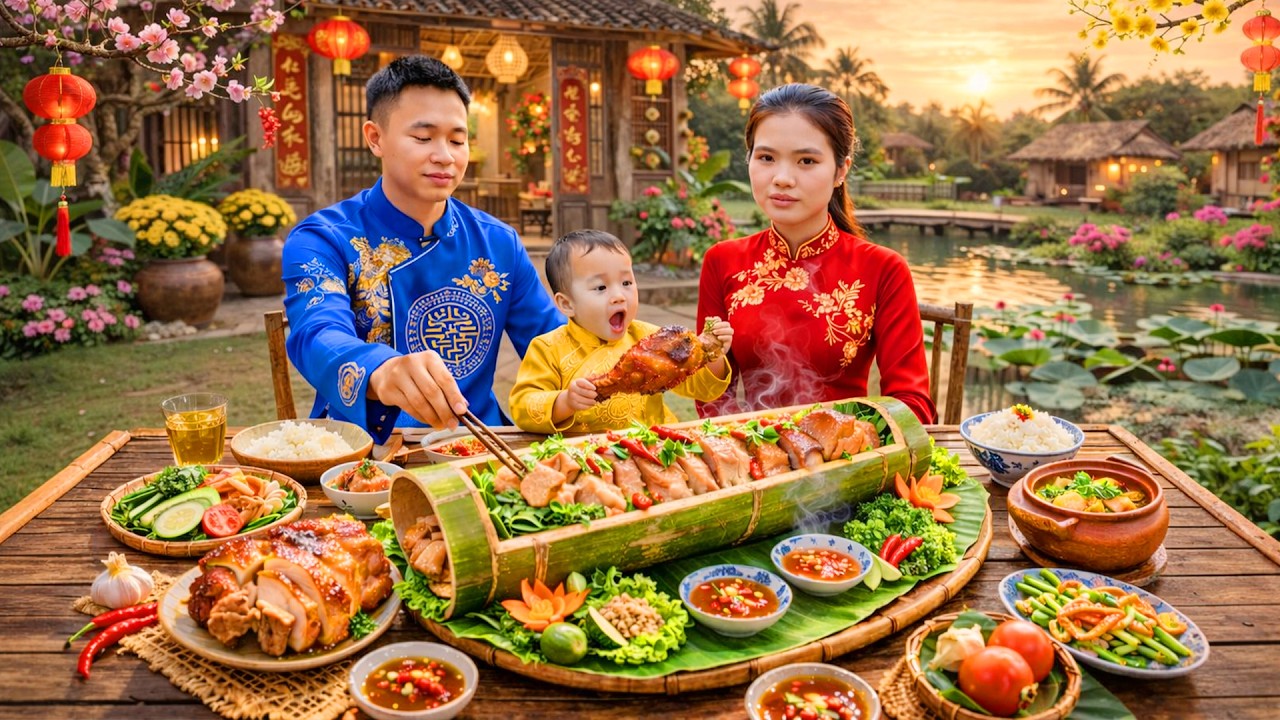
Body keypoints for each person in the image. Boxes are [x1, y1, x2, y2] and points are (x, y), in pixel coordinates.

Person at [281, 56, 564, 444]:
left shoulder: (498, 243)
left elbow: (555, 345)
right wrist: (382, 369)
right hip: (361, 449)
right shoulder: (323, 238)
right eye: (423, 137)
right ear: (375, 138)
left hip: (478, 446)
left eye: (457, 140)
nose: (445, 156)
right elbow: (317, 333)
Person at [696, 83, 936, 424]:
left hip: (845, 459)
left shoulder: (882, 268)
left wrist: (843, 448)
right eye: (766, 158)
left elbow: (913, 405)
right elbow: (711, 396)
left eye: (806, 161)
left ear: (841, 170)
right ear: (749, 160)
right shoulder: (722, 260)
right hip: (750, 456)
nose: (781, 178)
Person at [510, 230, 734, 433]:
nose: (619, 295)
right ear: (567, 304)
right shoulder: (548, 348)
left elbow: (703, 388)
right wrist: (565, 402)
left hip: (652, 445)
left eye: (626, 282)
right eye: (601, 287)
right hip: (584, 456)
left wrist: (711, 353)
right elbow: (523, 405)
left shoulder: (650, 339)